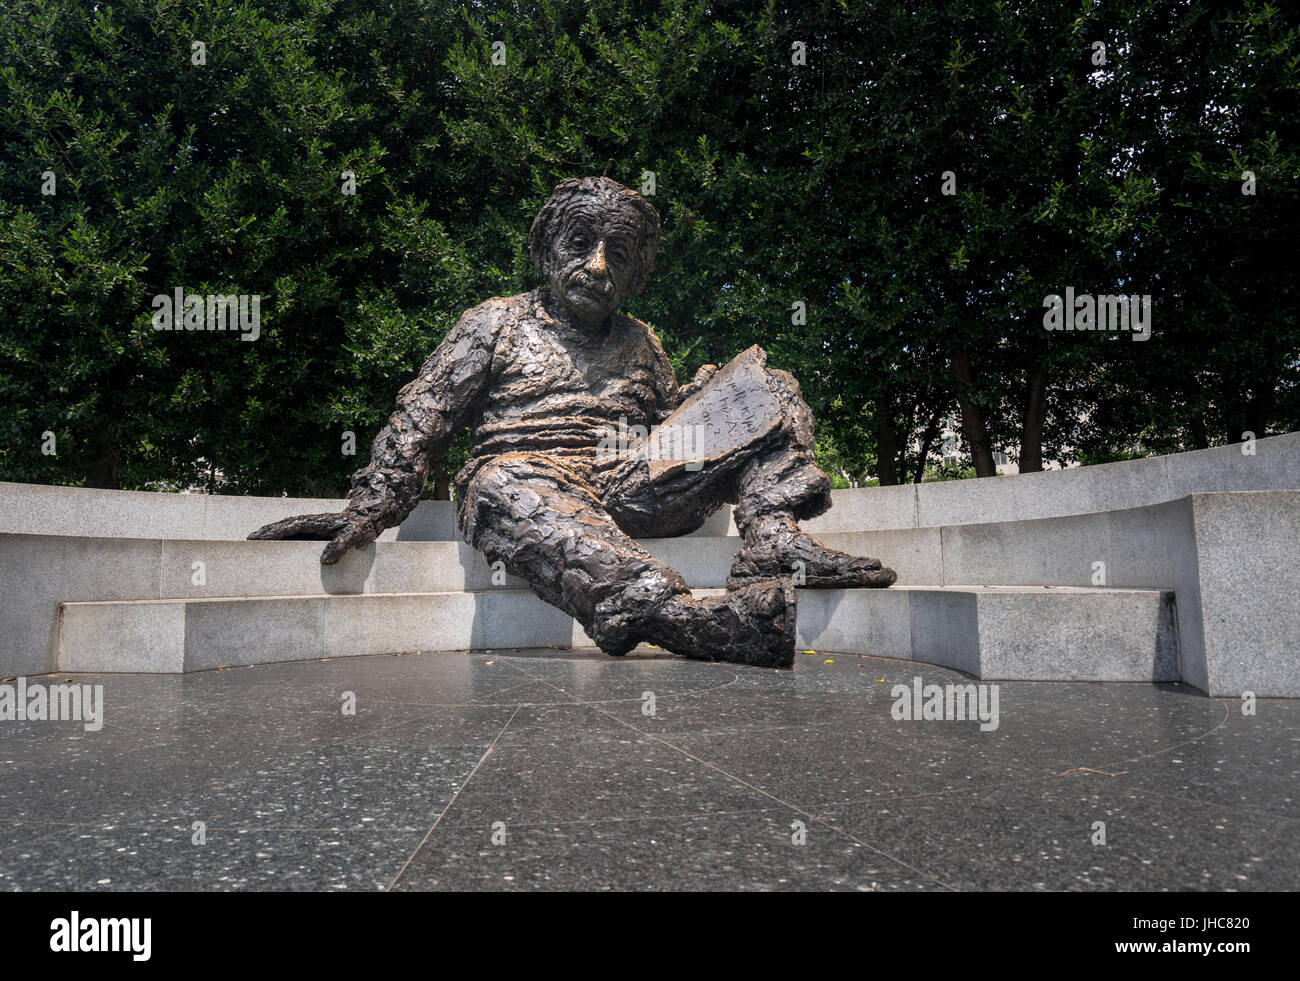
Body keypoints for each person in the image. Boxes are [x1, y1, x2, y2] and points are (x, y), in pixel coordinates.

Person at [250, 177, 894, 667]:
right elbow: (424, 416)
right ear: (547, 251)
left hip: (630, 477)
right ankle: (683, 621)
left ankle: (771, 538)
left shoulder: (642, 341)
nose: (597, 266)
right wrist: (372, 505)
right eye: (581, 244)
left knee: (766, 388)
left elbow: (666, 432)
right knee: (499, 483)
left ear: (636, 273)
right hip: (528, 476)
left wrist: (701, 403)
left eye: (618, 253)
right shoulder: (495, 322)